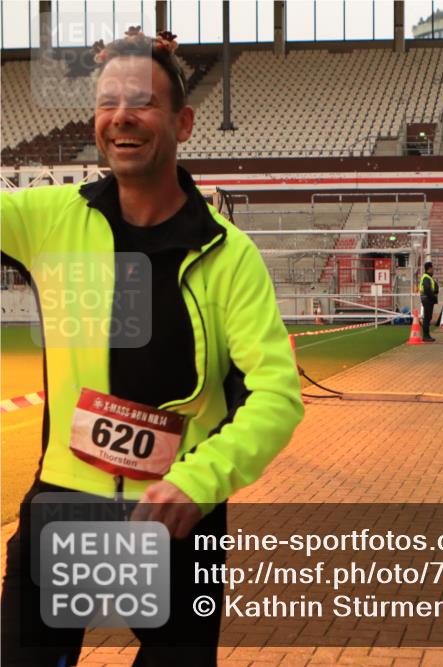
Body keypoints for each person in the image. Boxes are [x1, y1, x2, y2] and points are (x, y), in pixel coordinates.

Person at [0, 29, 304, 665]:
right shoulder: (47, 218)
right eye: (107, 101)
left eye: (141, 101)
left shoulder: (229, 254)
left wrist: (197, 483)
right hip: (66, 505)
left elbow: (277, 395)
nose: (121, 117)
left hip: (175, 522)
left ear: (183, 122)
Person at [419, 260, 438, 342]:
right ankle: (426, 336)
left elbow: (433, 287)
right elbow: (427, 289)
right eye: (432, 268)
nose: (433, 269)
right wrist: (433, 297)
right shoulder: (426, 278)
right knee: (427, 318)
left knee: (428, 317)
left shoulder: (428, 277)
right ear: (429, 268)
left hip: (427, 299)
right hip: (427, 299)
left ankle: (427, 335)